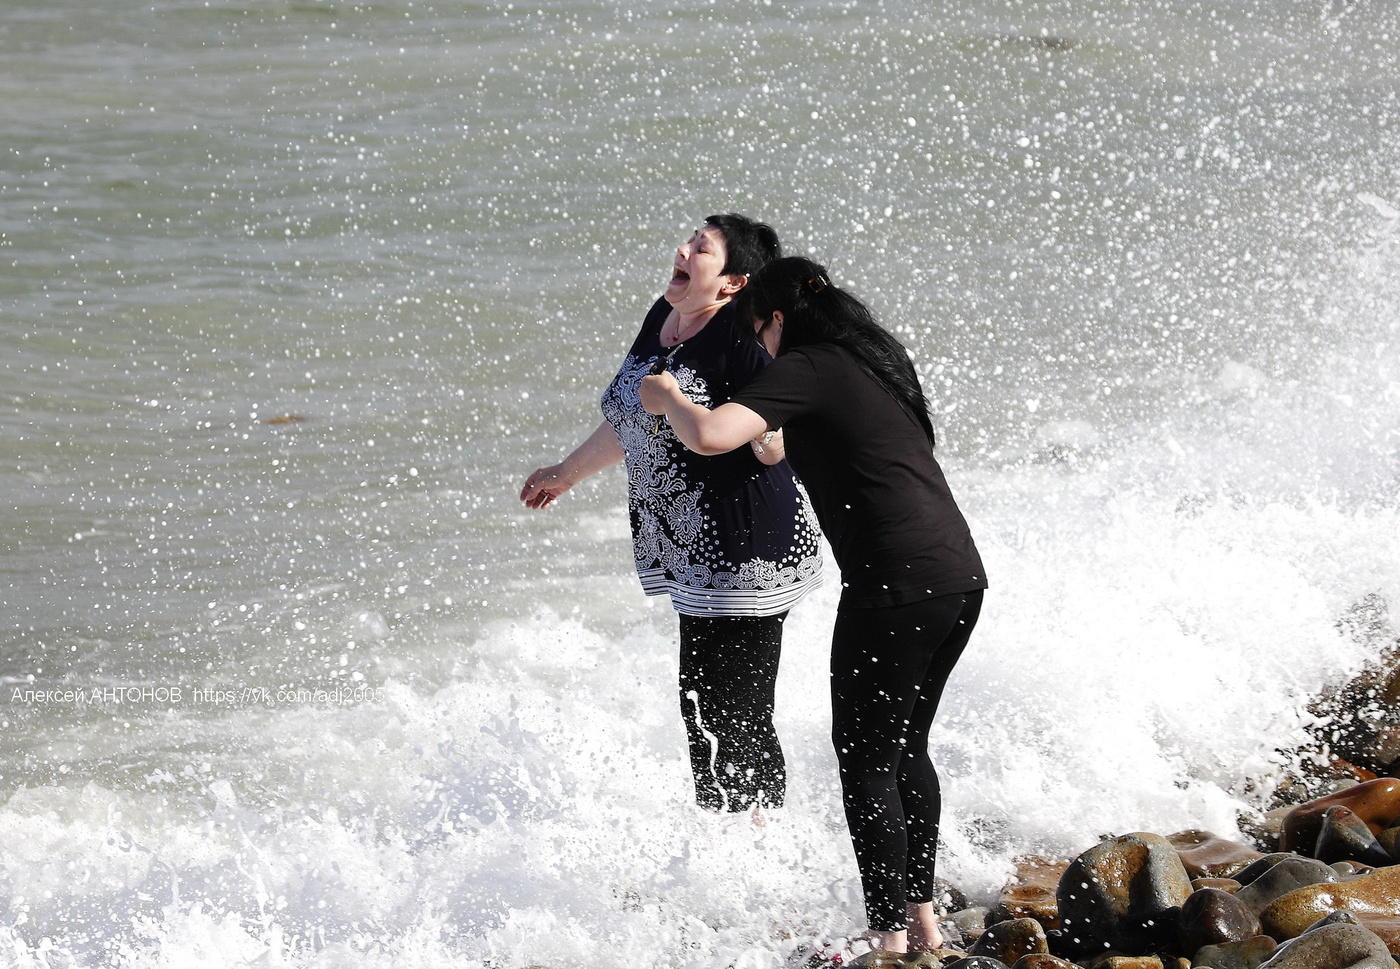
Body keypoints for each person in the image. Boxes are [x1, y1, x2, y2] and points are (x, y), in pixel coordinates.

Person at [639, 256, 987, 966]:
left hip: (894, 583)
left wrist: (668, 395)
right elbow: (789, 445)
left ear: (775, 319)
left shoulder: (807, 364)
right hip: (957, 574)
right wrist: (770, 441)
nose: (759, 350)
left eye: (756, 332)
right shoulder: (867, 364)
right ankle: (924, 925)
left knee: (863, 758)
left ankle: (888, 939)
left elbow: (707, 434)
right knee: (904, 747)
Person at [520, 216, 822, 816]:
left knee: (737, 712)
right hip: (689, 548)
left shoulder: (744, 337)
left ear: (733, 283)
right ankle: (725, 843)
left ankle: (768, 851)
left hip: (747, 549)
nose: (682, 251)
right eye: (689, 241)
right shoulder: (665, 319)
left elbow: (781, 428)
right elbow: (633, 416)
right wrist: (567, 472)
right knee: (699, 706)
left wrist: (767, 438)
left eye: (700, 249)